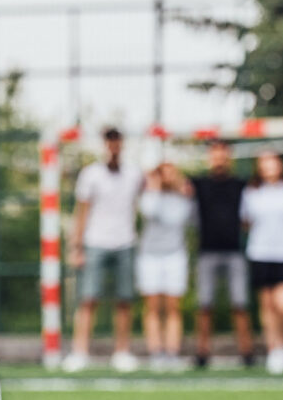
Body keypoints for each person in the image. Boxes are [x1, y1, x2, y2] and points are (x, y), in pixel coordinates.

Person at [63, 127, 143, 373]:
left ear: (122, 144)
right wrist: (76, 246)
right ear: (103, 145)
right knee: (88, 300)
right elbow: (82, 212)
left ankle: (122, 352)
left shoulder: (134, 174)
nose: (113, 146)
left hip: (126, 243)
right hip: (95, 243)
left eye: (116, 141)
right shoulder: (91, 174)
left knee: (124, 300)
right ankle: (80, 352)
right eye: (109, 142)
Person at [240, 150, 283, 375]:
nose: (269, 168)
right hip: (260, 253)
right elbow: (246, 221)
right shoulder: (251, 193)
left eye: (273, 163)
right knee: (268, 306)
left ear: (281, 165)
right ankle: (275, 350)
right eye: (264, 163)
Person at [192, 140, 254, 368]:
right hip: (207, 252)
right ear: (209, 158)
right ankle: (202, 353)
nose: (218, 159)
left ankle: (247, 352)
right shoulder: (198, 184)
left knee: (240, 303)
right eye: (214, 155)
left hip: (234, 252)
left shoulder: (240, 184)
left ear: (229, 158)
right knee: (205, 305)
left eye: (222, 155)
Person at [137, 162, 195, 371]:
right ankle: (156, 352)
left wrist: (186, 195)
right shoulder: (149, 197)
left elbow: (183, 219)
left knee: (173, 308)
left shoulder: (184, 199)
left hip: (175, 256)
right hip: (150, 256)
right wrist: (152, 186)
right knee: (152, 307)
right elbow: (149, 212)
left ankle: (172, 352)